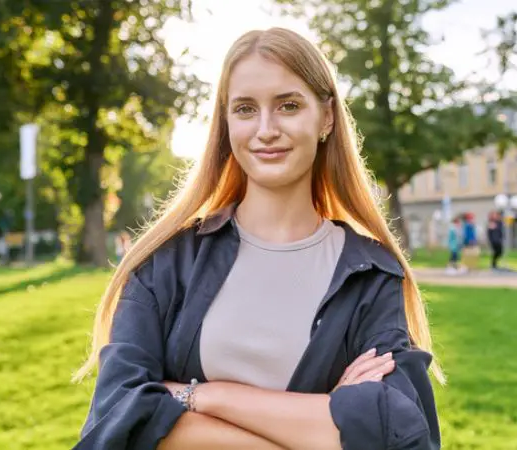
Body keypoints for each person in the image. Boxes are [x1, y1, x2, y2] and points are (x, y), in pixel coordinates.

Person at [73, 28, 442, 450]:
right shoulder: (165, 263)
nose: (266, 129)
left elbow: (401, 435)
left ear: (326, 118)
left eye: (288, 105)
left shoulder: (371, 275)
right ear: (226, 122)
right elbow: (118, 421)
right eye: (246, 109)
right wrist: (324, 418)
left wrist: (203, 396)